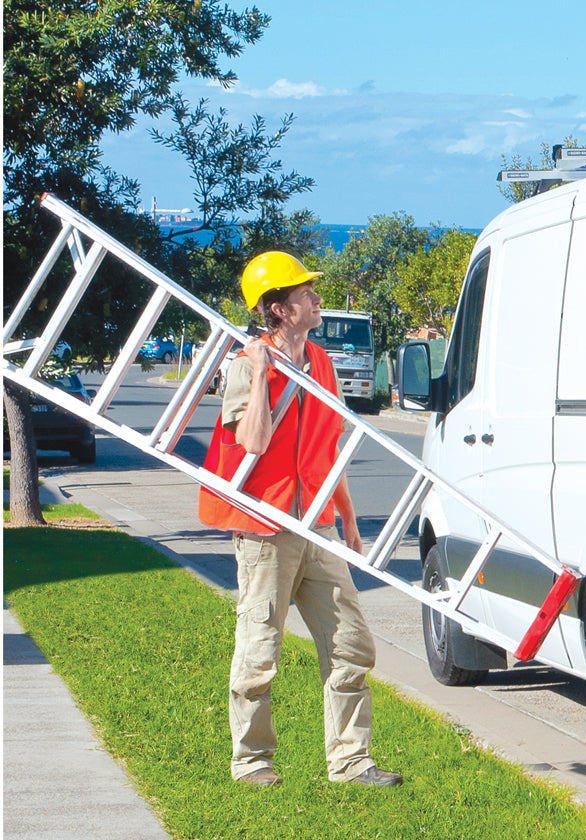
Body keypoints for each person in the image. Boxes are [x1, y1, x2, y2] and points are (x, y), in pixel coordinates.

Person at [197, 251, 403, 788]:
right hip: (267, 530)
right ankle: (252, 763)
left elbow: (327, 449)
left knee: (351, 646)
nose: (316, 298)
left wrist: (349, 522)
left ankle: (351, 762)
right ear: (279, 310)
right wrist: (263, 373)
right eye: (305, 293)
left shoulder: (323, 361)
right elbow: (254, 440)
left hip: (319, 526)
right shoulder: (247, 364)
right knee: (260, 653)